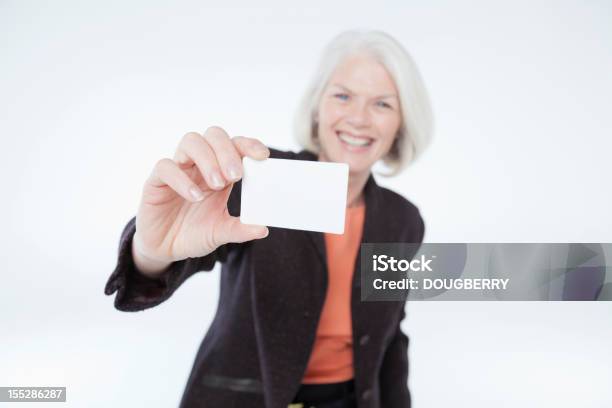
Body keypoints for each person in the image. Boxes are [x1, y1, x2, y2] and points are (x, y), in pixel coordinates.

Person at [105, 29, 433, 408]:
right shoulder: (262, 178)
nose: (358, 118)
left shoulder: (403, 219)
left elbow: (390, 338)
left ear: (401, 125)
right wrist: (149, 249)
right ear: (317, 108)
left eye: (382, 104)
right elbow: (172, 259)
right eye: (342, 96)